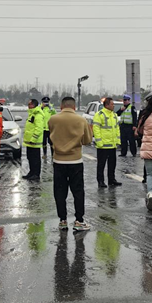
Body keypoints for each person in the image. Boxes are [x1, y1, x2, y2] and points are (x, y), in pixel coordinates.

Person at [48, 96, 93, 231]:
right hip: (75, 161)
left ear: (61, 106)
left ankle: (62, 220)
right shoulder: (81, 120)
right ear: (74, 107)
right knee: (78, 191)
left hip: (58, 160)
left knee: (59, 192)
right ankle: (79, 221)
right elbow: (87, 140)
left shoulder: (53, 119)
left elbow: (51, 136)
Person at [93, 97, 122, 188]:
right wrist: (99, 142)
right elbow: (96, 129)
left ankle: (111, 179)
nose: (113, 106)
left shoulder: (113, 115)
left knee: (112, 164)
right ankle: (100, 181)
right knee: (101, 164)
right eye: (112, 104)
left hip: (112, 145)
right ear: (107, 105)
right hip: (103, 145)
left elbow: (116, 128)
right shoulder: (100, 114)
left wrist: (117, 140)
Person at [23, 98, 44, 180]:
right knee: (30, 158)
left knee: (35, 159)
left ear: (34, 105)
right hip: (30, 142)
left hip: (34, 142)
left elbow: (39, 128)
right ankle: (31, 172)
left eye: (30, 104)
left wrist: (33, 139)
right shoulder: (32, 114)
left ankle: (36, 174)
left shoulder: (38, 115)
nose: (28, 106)